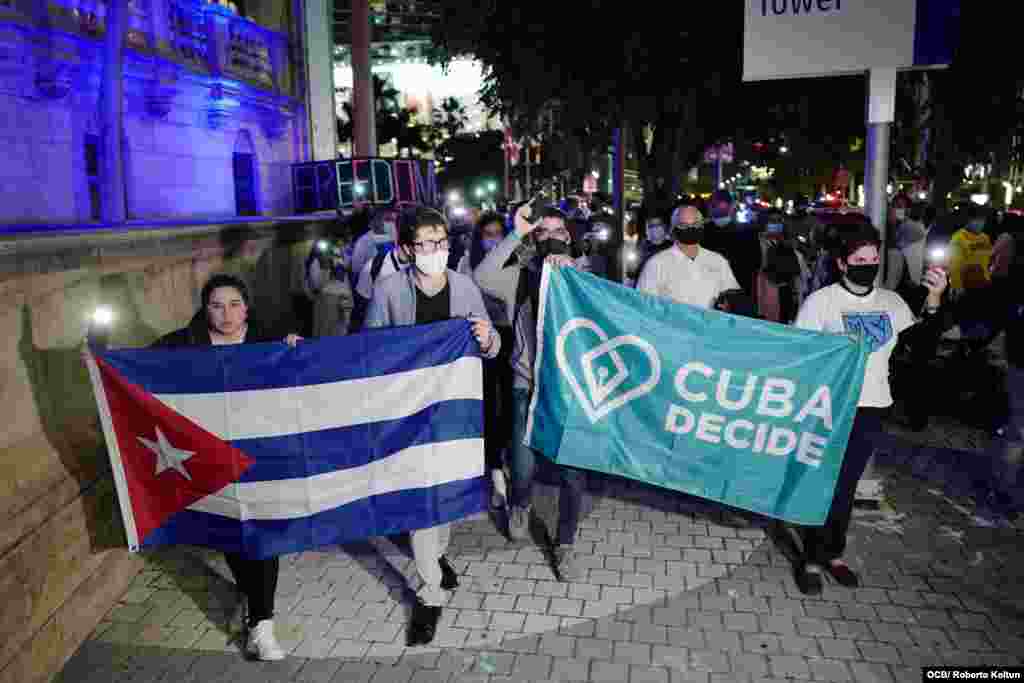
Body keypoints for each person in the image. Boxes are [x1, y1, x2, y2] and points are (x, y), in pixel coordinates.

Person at [364, 206, 500, 647]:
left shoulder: (464, 287)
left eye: (440, 242)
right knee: (422, 501)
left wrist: (486, 338)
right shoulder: (388, 290)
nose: (434, 251)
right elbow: (368, 348)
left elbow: (491, 346)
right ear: (406, 249)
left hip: (454, 416)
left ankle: (436, 557)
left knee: (445, 499)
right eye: (424, 244)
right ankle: (430, 590)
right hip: (409, 415)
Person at [152, 274, 303, 660]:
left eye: (235, 304)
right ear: (205, 308)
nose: (227, 313)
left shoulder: (269, 339)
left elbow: (301, 378)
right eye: (217, 305)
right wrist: (99, 358)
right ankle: (255, 607)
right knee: (233, 534)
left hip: (262, 456)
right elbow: (138, 366)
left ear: (247, 307)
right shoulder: (184, 343)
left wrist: (296, 351)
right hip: (211, 455)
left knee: (264, 534)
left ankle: (263, 624)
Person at [792, 225, 948, 594]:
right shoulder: (821, 302)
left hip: (872, 407)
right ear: (843, 264)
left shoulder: (891, 304)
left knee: (846, 485)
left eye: (874, 260)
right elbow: (802, 353)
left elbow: (922, 343)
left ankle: (833, 553)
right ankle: (811, 558)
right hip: (831, 408)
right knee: (824, 483)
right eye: (860, 260)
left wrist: (936, 299)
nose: (868, 266)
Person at [474, 204, 587, 581]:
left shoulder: (586, 280)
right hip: (527, 386)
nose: (552, 237)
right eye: (543, 232)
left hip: (570, 392)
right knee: (523, 466)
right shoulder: (519, 278)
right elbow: (482, 275)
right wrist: (515, 232)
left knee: (573, 474)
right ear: (534, 240)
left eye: (559, 231)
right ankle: (519, 504)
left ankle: (565, 543)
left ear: (569, 238)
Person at [457, 212, 515, 508]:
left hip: (511, 339)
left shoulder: (514, 261)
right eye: (487, 233)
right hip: (479, 341)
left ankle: (505, 461)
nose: (492, 238)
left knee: (509, 404)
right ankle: (493, 468)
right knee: (488, 405)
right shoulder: (467, 263)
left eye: (497, 233)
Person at [636, 205, 740, 309]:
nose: (690, 229)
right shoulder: (655, 264)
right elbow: (643, 306)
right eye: (683, 225)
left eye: (695, 224)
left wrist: (727, 305)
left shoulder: (718, 261)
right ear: (673, 229)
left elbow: (731, 297)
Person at [702, 190, 762, 296]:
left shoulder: (746, 232)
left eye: (717, 204)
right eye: (713, 204)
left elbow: (754, 263)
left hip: (736, 291)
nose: (715, 207)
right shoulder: (701, 231)